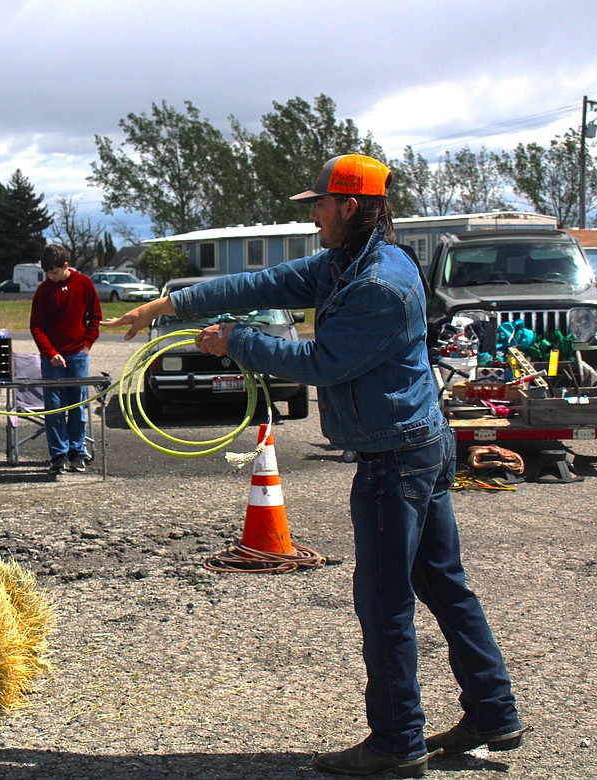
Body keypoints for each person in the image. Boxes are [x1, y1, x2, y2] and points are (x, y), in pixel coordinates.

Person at [103, 154, 525, 777]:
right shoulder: (349, 265)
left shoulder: (377, 284)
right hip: (414, 447)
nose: (315, 217)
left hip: (396, 458)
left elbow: (324, 363)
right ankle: (493, 713)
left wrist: (238, 342)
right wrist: (166, 306)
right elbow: (260, 284)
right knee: (442, 584)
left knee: (384, 603)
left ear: (352, 206)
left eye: (321, 205)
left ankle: (397, 741)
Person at [29, 244, 102, 474]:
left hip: (78, 355)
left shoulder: (84, 284)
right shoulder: (43, 291)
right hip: (52, 359)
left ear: (66, 267)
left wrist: (86, 346)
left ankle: (77, 452)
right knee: (54, 408)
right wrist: (50, 353)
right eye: (47, 273)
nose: (51, 277)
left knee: (77, 406)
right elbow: (36, 327)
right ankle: (58, 455)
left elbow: (96, 317)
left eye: (54, 272)